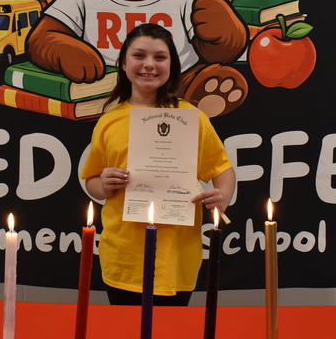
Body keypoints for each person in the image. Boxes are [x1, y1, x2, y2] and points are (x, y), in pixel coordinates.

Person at [80, 23, 236, 306]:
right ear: (124, 64)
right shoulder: (109, 121)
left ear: (172, 66)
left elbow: (222, 169)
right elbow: (91, 182)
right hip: (124, 257)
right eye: (139, 56)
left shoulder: (192, 119)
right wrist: (102, 184)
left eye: (160, 57)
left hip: (176, 257)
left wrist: (222, 196)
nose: (149, 65)